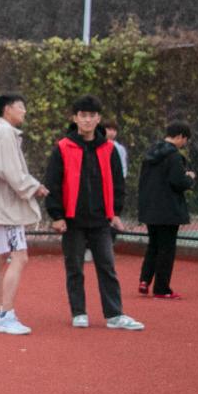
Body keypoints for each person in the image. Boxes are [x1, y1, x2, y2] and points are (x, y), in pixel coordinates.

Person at [43, 95, 144, 330]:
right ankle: (79, 312)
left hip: (101, 220)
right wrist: (56, 215)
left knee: (107, 266)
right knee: (75, 268)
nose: (87, 120)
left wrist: (115, 212)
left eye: (92, 116)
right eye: (83, 115)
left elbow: (118, 183)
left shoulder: (109, 149)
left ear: (98, 119)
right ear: (75, 118)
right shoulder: (62, 147)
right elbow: (53, 183)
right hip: (72, 220)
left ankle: (114, 314)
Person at [0, 93, 48, 335]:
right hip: (6, 209)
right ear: (7, 109)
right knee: (19, 257)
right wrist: (33, 186)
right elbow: (7, 169)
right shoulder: (4, 133)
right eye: (20, 107)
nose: (24, 111)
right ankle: (6, 314)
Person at [137, 121, 196, 299]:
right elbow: (177, 182)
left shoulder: (150, 154)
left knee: (153, 246)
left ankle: (144, 280)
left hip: (150, 208)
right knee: (166, 249)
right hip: (169, 210)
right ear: (180, 137)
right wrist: (189, 178)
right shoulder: (174, 156)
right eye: (185, 139)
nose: (184, 143)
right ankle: (161, 288)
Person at [103, 119, 128, 246]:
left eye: (114, 130)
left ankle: (109, 243)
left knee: (112, 214)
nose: (112, 132)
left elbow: (122, 169)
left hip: (114, 186)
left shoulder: (120, 149)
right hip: (101, 186)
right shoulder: (97, 145)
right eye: (109, 129)